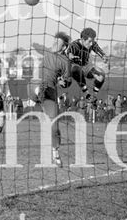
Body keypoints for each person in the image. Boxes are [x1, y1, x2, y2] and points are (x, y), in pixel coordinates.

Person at [29, 32, 72, 166]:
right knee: (37, 84)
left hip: (50, 92)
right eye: (54, 40)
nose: (54, 43)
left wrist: (65, 82)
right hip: (35, 84)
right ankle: (37, 93)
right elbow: (36, 45)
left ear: (64, 47)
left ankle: (56, 154)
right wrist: (33, 43)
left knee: (54, 125)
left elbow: (68, 80)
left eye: (57, 42)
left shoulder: (65, 62)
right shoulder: (46, 51)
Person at [66, 27, 107, 102]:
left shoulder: (92, 43)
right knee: (75, 70)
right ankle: (87, 94)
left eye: (92, 41)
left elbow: (97, 49)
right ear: (82, 39)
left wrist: (103, 56)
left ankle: (94, 96)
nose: (91, 43)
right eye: (89, 41)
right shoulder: (74, 45)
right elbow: (69, 54)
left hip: (87, 67)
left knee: (101, 76)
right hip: (76, 67)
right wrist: (72, 57)